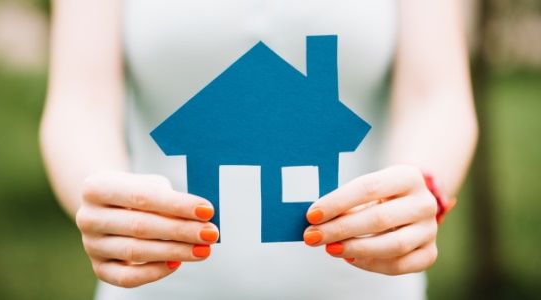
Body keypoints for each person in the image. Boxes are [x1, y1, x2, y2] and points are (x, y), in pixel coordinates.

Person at [40, 0, 477, 299]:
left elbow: (436, 96)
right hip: (157, 287)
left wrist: (422, 190)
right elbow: (80, 103)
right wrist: (103, 199)